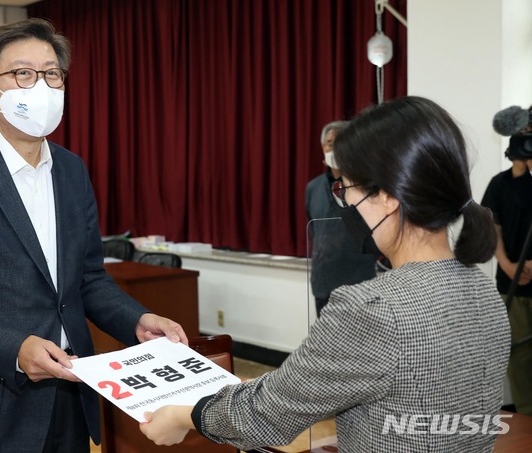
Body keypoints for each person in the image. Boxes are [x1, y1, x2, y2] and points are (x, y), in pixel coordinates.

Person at [140, 96, 511, 451]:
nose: (347, 202)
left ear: (387, 196)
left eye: (347, 188)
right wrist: (273, 389)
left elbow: (267, 415)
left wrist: (185, 415)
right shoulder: (483, 290)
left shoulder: (371, 308)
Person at [0, 18, 187, 453]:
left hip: (71, 395)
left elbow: (88, 278)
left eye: (51, 73)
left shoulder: (71, 170)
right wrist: (16, 348)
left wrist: (135, 320)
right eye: (23, 73)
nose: (40, 85)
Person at [305, 120, 378, 317]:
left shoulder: (367, 187)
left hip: (359, 286)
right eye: (330, 143)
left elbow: (375, 235)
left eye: (341, 142)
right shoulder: (313, 188)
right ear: (322, 147)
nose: (334, 148)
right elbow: (315, 230)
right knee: (326, 345)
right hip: (323, 284)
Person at [481, 148, 532, 416]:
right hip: (512, 280)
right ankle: (526, 413)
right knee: (520, 353)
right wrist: (507, 263)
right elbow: (491, 225)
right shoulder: (500, 184)